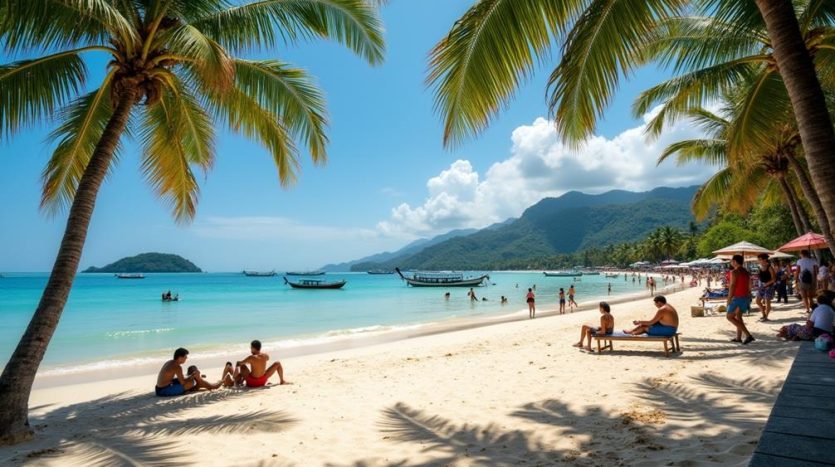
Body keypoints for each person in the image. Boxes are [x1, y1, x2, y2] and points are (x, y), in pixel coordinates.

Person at [155, 347, 220, 396]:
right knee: (191, 383)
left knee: (190, 378)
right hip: (162, 390)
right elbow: (183, 382)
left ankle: (202, 383)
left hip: (159, 387)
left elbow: (179, 379)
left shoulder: (170, 362)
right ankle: (205, 385)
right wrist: (191, 377)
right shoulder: (177, 367)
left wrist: (190, 376)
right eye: (185, 357)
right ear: (180, 357)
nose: (186, 358)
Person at [726, 255, 755, 345]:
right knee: (738, 317)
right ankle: (738, 338)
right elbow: (750, 285)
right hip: (745, 297)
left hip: (737, 297)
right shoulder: (746, 272)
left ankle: (748, 335)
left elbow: (732, 285)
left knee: (729, 317)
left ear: (735, 261)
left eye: (731, 261)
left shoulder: (734, 272)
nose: (731, 262)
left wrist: (729, 298)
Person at [755, 253, 777, 321]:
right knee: (757, 301)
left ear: (765, 260)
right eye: (758, 259)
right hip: (762, 286)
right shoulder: (760, 267)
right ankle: (764, 314)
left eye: (760, 259)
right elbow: (760, 278)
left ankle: (766, 317)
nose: (758, 261)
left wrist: (766, 284)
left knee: (767, 302)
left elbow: (774, 279)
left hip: (769, 287)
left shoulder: (769, 267)